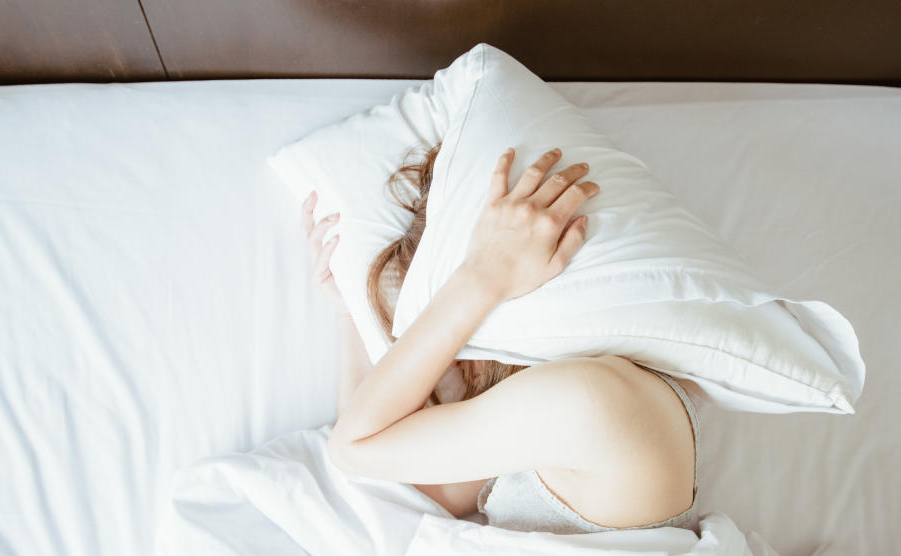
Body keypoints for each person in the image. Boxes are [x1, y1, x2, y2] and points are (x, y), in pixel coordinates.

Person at [300, 143, 699, 535]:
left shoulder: (588, 401)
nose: (450, 354)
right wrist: (351, 313)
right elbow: (427, 488)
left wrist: (484, 275)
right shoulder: (573, 398)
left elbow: (355, 449)